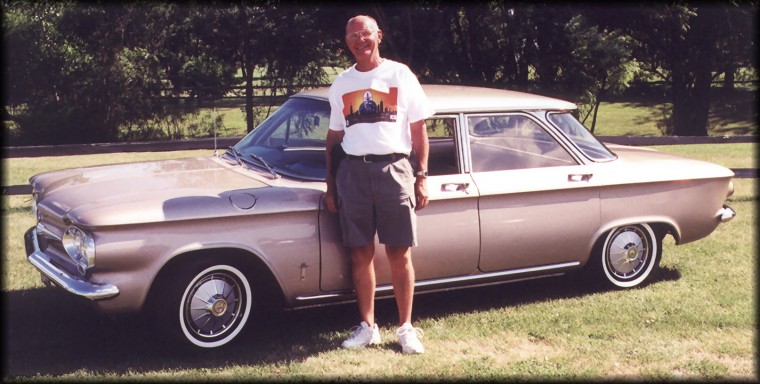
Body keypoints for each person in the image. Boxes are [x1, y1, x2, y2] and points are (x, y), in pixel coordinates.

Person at [325, 15, 434, 355]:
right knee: (360, 252)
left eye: (366, 34)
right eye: (353, 36)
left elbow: (418, 130)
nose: (361, 41)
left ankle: (405, 328)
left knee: (399, 252)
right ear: (346, 42)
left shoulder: (400, 74)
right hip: (353, 174)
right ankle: (367, 327)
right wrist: (331, 184)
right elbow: (333, 137)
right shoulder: (341, 83)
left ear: (378, 36)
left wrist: (422, 176)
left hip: (394, 170)